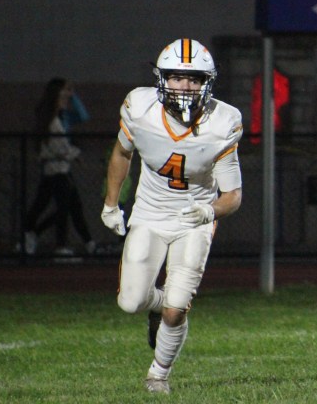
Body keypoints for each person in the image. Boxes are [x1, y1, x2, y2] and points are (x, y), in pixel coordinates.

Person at [101, 38, 243, 394]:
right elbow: (122, 153)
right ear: (161, 78)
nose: (185, 86)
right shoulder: (140, 108)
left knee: (177, 309)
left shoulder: (222, 122)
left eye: (194, 79)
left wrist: (208, 211)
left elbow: (233, 196)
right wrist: (111, 203)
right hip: (149, 214)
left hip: (193, 221)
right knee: (130, 301)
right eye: (177, 77)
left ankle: (158, 375)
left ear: (207, 82)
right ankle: (159, 306)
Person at [22, 78, 95, 256]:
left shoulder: (57, 119)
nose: (66, 101)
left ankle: (88, 244)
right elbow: (60, 147)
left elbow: (81, 117)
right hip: (57, 171)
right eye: (63, 97)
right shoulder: (52, 122)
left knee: (66, 206)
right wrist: (75, 154)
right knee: (62, 207)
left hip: (60, 169)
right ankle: (53, 243)